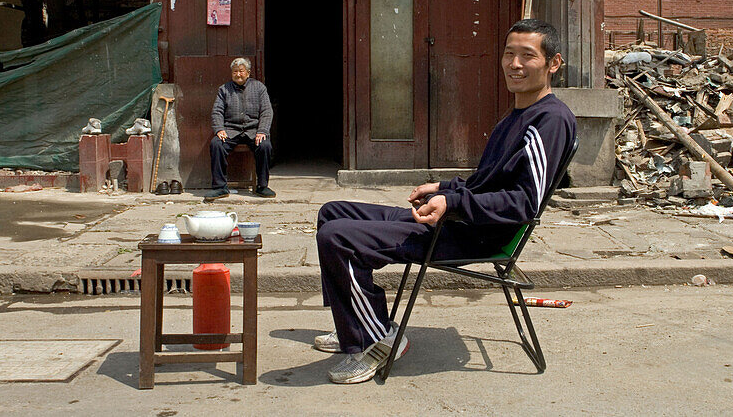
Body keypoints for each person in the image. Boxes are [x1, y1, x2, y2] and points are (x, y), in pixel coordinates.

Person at [313, 19, 577, 384]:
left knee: (337, 238)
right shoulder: (515, 116)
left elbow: (524, 203)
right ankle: (353, 324)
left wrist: (452, 204)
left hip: (477, 234)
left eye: (527, 56)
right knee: (333, 213)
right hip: (459, 218)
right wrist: (445, 186)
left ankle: (375, 340)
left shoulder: (550, 120)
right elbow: (487, 182)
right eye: (509, 53)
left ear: (553, 63)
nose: (514, 64)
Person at [208, 57, 276, 199]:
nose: (238, 74)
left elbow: (266, 111)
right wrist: (219, 128)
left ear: (248, 73)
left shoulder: (259, 88)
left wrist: (262, 131)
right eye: (235, 72)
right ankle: (220, 187)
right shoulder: (224, 89)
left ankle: (262, 186)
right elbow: (217, 111)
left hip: (253, 131)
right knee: (216, 144)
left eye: (241, 71)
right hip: (231, 130)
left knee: (265, 145)